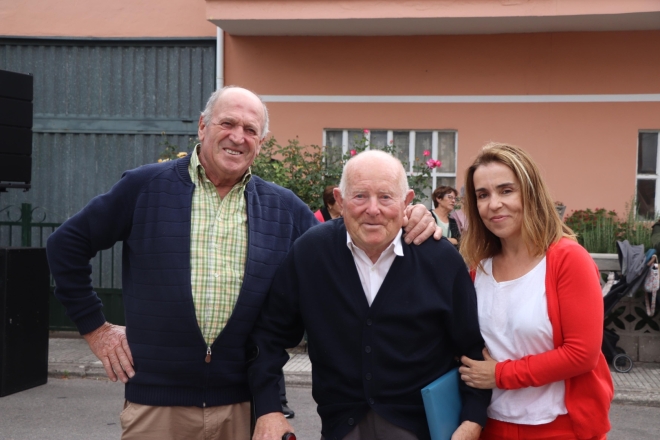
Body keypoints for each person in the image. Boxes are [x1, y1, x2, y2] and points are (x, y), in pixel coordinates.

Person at [46, 86, 440, 440]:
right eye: (228, 123)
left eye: (250, 130)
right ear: (203, 126)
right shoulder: (145, 187)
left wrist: (411, 216)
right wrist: (96, 329)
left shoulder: (285, 208)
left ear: (261, 143)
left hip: (243, 408)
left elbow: (352, 241)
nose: (238, 137)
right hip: (157, 407)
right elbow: (66, 245)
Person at [248, 150, 491, 440]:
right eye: (360, 196)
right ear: (339, 200)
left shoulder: (440, 260)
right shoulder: (311, 253)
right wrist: (268, 409)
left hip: (423, 427)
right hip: (340, 427)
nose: (373, 209)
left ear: (406, 202)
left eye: (386, 197)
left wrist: (472, 420)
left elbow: (471, 348)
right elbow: (269, 336)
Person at [458, 143, 613, 440]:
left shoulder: (568, 259)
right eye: (483, 195)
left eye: (506, 191)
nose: (493, 204)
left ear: (530, 193)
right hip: (490, 427)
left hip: (559, 428)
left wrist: (500, 375)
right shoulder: (478, 269)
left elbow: (582, 354)